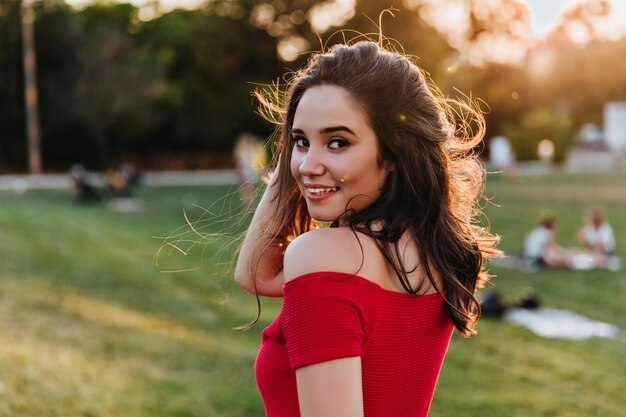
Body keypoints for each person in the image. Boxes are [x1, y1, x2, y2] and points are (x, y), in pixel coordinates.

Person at [234, 40, 500, 417]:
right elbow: (255, 274)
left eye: (337, 142)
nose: (308, 164)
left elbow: (254, 272)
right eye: (300, 141)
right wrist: (298, 164)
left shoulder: (323, 255)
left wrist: (303, 163)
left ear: (393, 153)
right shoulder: (437, 250)